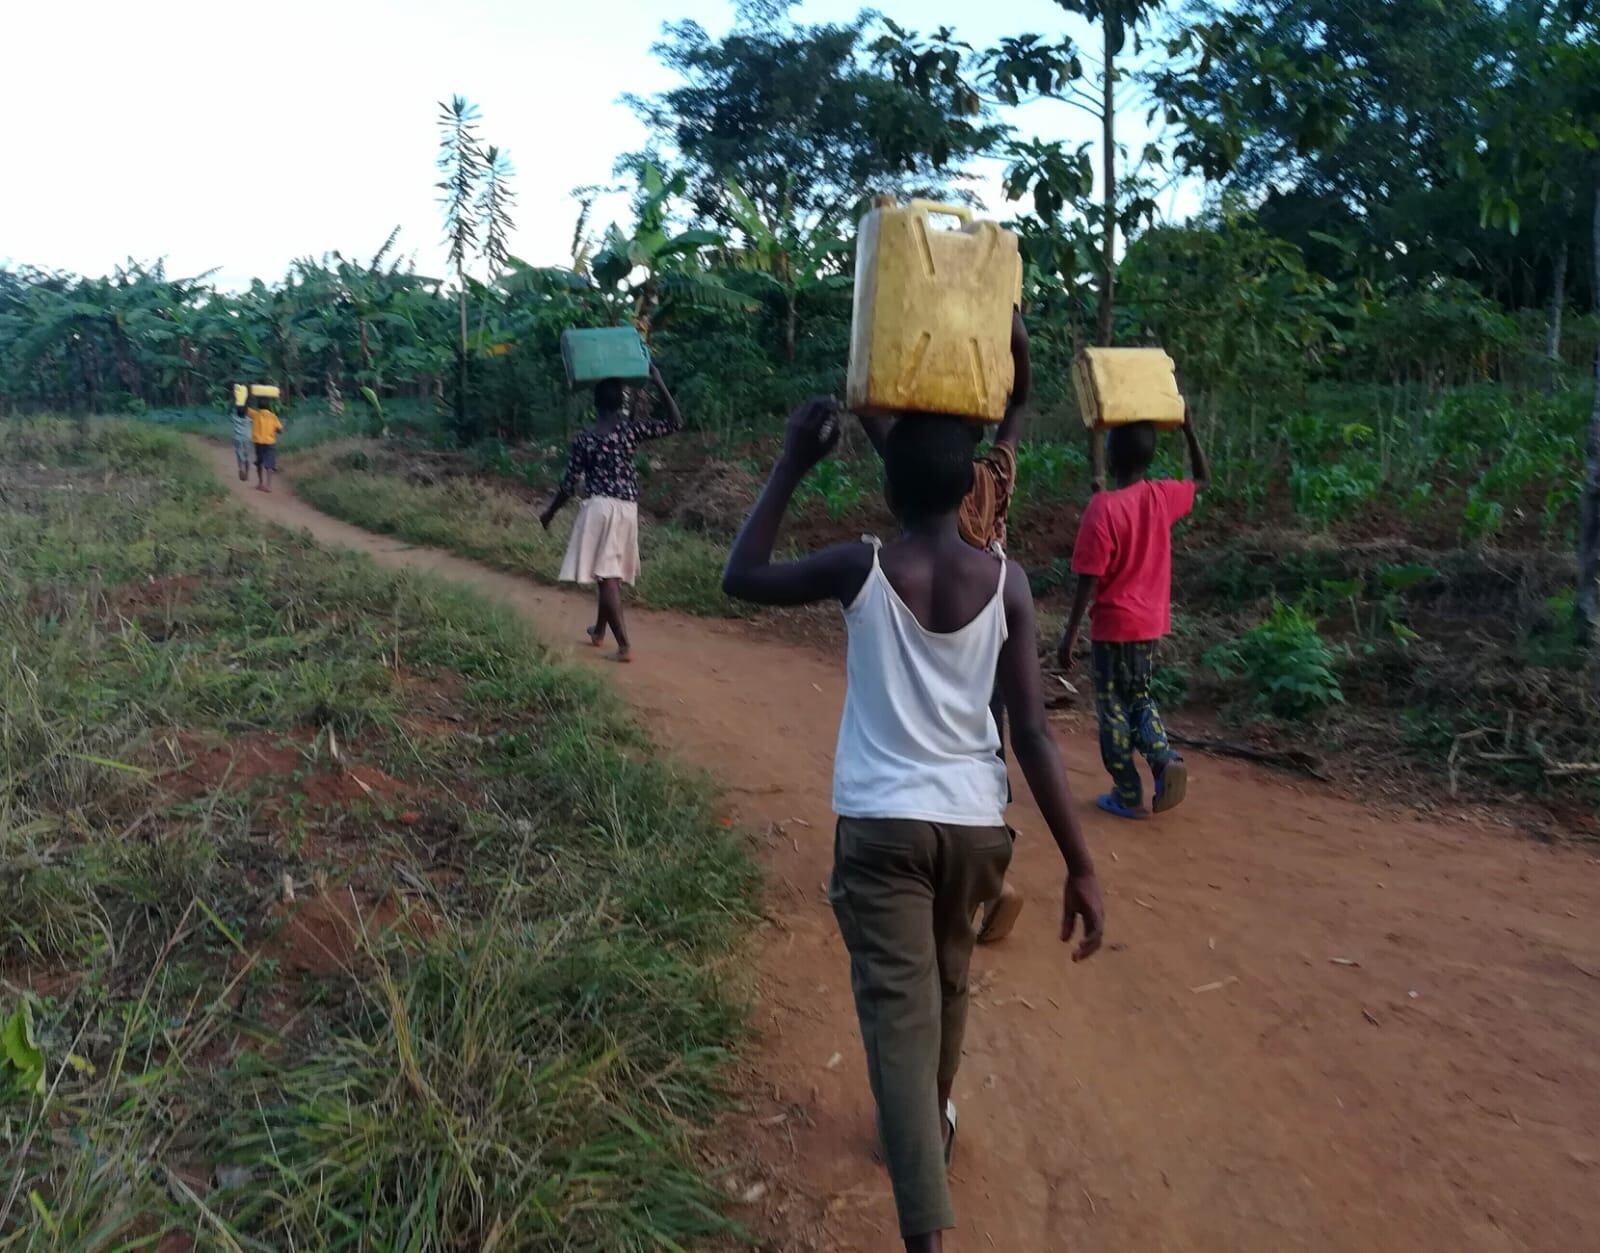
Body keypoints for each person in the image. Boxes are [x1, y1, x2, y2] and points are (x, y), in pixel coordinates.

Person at [723, 398, 1105, 1253]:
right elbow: (1033, 733)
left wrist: (792, 463)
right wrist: (1081, 864)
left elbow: (739, 576)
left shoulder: (859, 567)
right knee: (948, 980)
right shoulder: (1006, 580)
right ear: (971, 486)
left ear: (888, 491)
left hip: (883, 831)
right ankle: (929, 1121)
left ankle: (924, 1228)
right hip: (974, 830)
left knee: (900, 1015)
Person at [857, 308, 1030, 944]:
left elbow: (870, 411)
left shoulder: (916, 469)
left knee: (926, 748)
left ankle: (989, 882)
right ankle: (988, 866)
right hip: (987, 634)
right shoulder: (995, 475)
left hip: (923, 624)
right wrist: (1017, 344)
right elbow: (1018, 406)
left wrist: (874, 332)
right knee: (980, 754)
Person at [1057, 413, 1211, 818]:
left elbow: (1089, 578)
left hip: (1112, 627)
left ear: (1110, 457)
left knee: (1112, 707)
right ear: (1150, 458)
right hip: (1149, 625)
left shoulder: (1102, 509)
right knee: (1139, 697)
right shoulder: (1162, 496)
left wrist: (1070, 634)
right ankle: (1163, 757)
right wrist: (1189, 430)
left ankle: (1127, 792)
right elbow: (1202, 480)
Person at [540, 364, 682, 662]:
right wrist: (658, 382)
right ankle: (599, 631)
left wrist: (549, 513)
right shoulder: (629, 431)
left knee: (607, 577)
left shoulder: (585, 439)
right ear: (621, 404)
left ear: (595, 404)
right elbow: (675, 422)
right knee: (608, 572)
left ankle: (624, 646)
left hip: (599, 508)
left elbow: (568, 485)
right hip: (627, 509)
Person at [247, 393, 284, 492]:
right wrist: (275, 430)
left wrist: (247, 397)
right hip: (270, 443)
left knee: (259, 463)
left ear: (259, 406)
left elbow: (245, 409)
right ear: (268, 406)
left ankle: (260, 483)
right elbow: (280, 430)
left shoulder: (255, 414)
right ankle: (269, 486)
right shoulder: (273, 417)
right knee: (269, 464)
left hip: (258, 443)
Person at [230, 384, 252, 481]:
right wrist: (247, 398)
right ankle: (247, 472)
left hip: (237, 438)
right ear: (246, 412)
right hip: (247, 438)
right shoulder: (248, 419)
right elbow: (248, 408)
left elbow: (229, 411)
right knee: (247, 456)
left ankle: (241, 468)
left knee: (239, 454)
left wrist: (234, 399)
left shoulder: (234, 418)